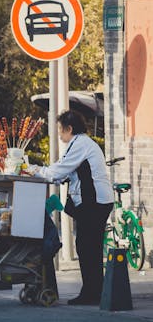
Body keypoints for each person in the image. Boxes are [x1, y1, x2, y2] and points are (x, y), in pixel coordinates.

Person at [32, 110, 114, 305]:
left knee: (88, 247)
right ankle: (94, 292)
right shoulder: (78, 144)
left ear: (69, 129)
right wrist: (42, 172)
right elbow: (62, 172)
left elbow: (59, 170)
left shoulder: (81, 144)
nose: (59, 135)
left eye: (60, 130)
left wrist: (34, 170)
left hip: (94, 202)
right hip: (92, 202)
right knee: (87, 247)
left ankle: (92, 294)